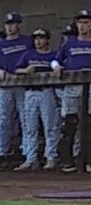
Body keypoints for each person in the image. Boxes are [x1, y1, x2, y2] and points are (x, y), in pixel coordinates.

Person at [0, 12, 34, 169]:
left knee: (26, 119)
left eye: (12, 24)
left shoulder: (27, 41)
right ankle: (0, 154)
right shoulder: (0, 45)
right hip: (5, 84)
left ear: (18, 25)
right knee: (3, 119)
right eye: (7, 24)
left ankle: (28, 153)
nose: (9, 27)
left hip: (23, 84)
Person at [14, 28, 60, 171]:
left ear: (47, 40)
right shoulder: (28, 54)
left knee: (50, 126)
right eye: (36, 39)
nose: (38, 41)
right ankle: (31, 158)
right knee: (30, 127)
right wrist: (25, 70)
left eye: (41, 38)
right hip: (30, 92)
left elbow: (57, 65)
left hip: (46, 91)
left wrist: (56, 68)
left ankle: (51, 157)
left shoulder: (53, 55)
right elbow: (16, 69)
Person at [52, 9, 91, 173]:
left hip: (90, 86)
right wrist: (56, 67)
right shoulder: (69, 43)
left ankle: (86, 159)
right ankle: (67, 160)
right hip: (72, 85)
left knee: (88, 123)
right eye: (80, 22)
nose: (82, 26)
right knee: (70, 122)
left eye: (86, 22)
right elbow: (55, 60)